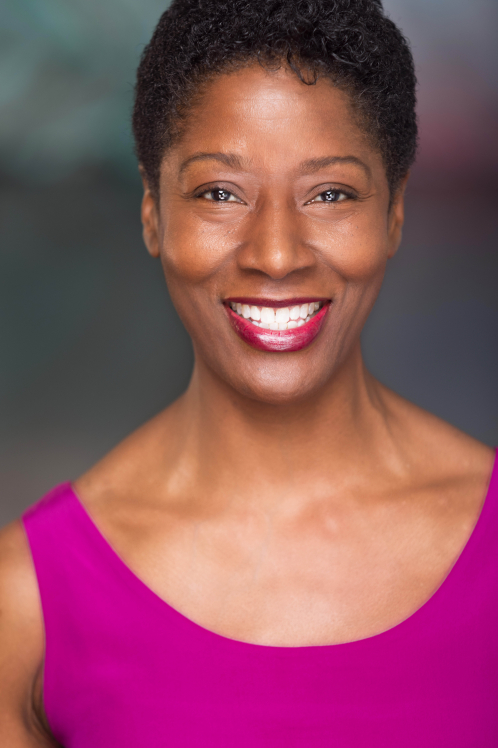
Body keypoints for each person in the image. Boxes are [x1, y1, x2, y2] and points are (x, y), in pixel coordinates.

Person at [0, 0, 496, 745]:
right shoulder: (27, 604)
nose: (275, 252)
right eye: (219, 193)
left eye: (330, 193)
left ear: (393, 211)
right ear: (151, 213)